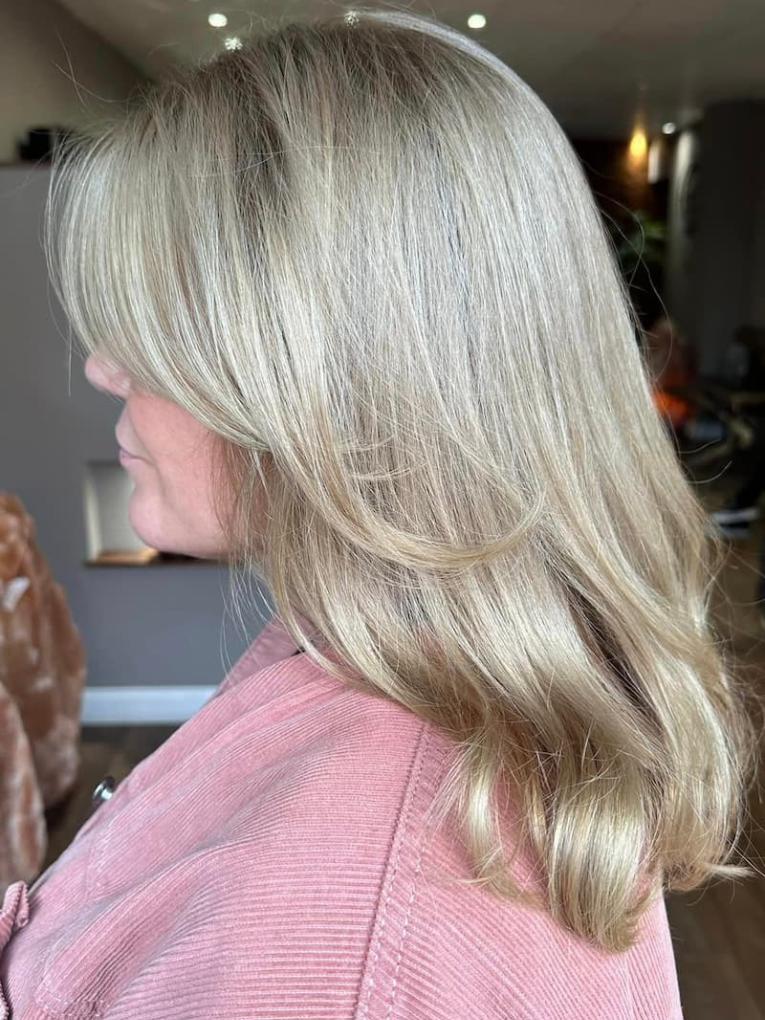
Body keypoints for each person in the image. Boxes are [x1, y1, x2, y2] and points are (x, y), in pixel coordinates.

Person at [0, 8, 756, 1018]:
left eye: (166, 322)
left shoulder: (337, 948)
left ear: (343, 374)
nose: (104, 366)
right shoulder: (385, 661)